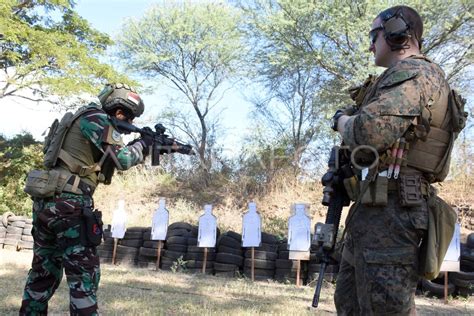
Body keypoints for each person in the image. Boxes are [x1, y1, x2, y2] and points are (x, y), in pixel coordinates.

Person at [332, 5, 459, 315]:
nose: (371, 44)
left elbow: (368, 132)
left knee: (384, 309)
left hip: (393, 212)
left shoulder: (415, 72)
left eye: (374, 35)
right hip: (377, 207)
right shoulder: (397, 78)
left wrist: (342, 121)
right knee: (352, 304)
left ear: (398, 32)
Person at [20, 83, 153, 315]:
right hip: (71, 206)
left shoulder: (80, 118)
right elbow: (122, 159)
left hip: (47, 203)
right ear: (119, 112)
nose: (129, 125)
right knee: (83, 278)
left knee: (43, 273)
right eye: (128, 119)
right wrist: (143, 144)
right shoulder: (97, 118)